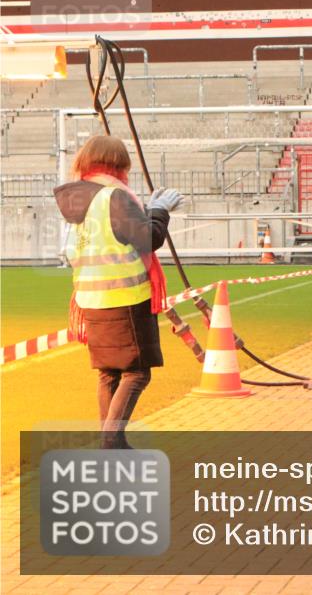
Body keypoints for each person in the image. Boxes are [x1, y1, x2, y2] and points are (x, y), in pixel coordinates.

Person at [53, 135, 183, 448]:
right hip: (125, 298)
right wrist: (159, 210)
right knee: (137, 373)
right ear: (118, 164)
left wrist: (149, 210)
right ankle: (111, 443)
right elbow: (148, 238)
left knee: (109, 373)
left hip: (90, 299)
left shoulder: (81, 200)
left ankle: (114, 445)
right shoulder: (113, 196)